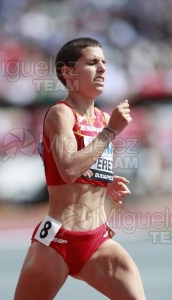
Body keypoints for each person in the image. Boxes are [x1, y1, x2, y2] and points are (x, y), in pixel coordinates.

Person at [14, 37, 146, 300]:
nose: (103, 68)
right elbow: (68, 169)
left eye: (104, 62)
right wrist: (110, 132)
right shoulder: (61, 114)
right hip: (57, 239)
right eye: (92, 62)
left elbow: (84, 167)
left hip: (97, 239)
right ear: (69, 72)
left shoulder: (103, 118)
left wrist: (107, 183)